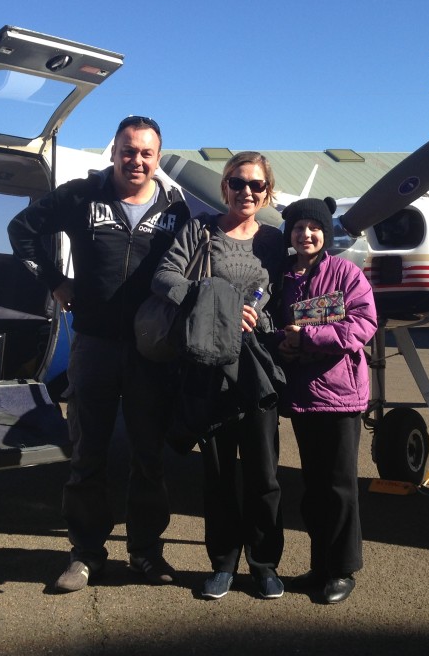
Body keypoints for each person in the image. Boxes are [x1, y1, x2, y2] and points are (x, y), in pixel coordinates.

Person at [8, 115, 190, 593]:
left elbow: (194, 265)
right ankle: (86, 554)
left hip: (153, 351)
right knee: (88, 453)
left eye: (146, 153)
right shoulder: (80, 195)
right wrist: (53, 281)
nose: (137, 160)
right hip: (94, 346)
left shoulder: (176, 208)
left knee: (149, 455)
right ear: (114, 152)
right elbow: (21, 229)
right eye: (128, 151)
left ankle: (147, 552)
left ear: (157, 158)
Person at [151, 151, 285, 601]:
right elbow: (164, 277)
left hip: (257, 367)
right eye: (238, 182)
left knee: (264, 473)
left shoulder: (274, 241)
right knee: (219, 472)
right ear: (225, 185)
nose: (247, 192)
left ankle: (265, 564)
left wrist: (260, 314)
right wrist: (213, 301)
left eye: (256, 186)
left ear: (268, 192)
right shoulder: (200, 231)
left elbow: (281, 295)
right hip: (210, 363)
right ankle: (224, 564)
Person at [275, 196, 377, 604]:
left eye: (314, 227)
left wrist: (309, 336)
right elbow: (274, 324)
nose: (306, 234)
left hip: (340, 396)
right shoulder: (284, 278)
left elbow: (364, 323)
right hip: (303, 397)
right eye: (299, 228)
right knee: (314, 487)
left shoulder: (347, 274)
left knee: (340, 486)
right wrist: (280, 344)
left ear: (326, 232)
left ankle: (343, 569)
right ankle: (320, 565)